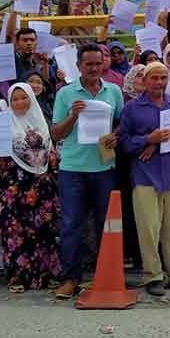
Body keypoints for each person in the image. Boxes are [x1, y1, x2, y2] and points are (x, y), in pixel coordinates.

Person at [119, 62, 170, 295]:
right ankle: (153, 275)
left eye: (163, 78)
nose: (159, 83)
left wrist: (155, 144)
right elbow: (124, 143)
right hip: (146, 176)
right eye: (154, 78)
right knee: (149, 229)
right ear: (144, 80)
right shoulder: (132, 108)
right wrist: (148, 139)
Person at [49, 43, 123, 299]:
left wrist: (115, 136)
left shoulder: (113, 91)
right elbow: (56, 133)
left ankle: (103, 277)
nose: (93, 68)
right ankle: (71, 278)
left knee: (106, 225)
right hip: (73, 169)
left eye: (97, 63)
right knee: (71, 225)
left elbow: (121, 124)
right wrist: (73, 116)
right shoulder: (65, 93)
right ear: (78, 66)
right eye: (88, 64)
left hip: (104, 167)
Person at [0, 83, 60, 292]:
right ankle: (18, 277)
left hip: (41, 188)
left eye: (24, 98)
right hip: (13, 190)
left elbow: (51, 155)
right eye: (15, 99)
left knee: (43, 232)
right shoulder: (4, 124)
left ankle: (45, 276)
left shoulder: (40, 122)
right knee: (16, 234)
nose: (20, 102)